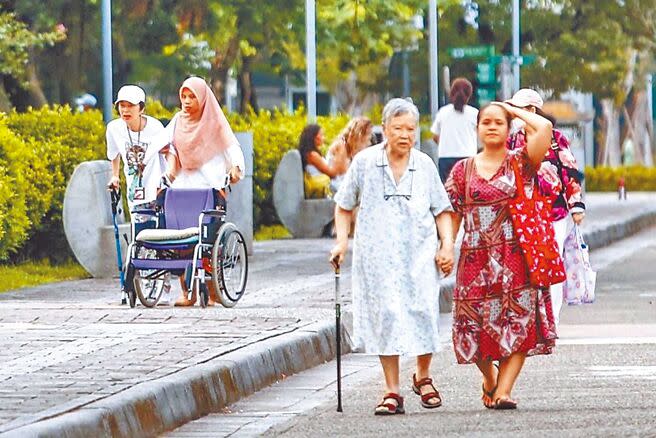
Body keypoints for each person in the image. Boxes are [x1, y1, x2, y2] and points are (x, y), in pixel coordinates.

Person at [330, 98, 455, 416]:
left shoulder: (424, 164)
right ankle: (391, 390)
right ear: (384, 129)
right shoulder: (365, 163)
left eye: (410, 129)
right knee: (386, 315)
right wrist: (341, 243)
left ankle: (423, 376)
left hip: (419, 254)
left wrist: (447, 246)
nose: (405, 134)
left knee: (423, 311)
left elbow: (442, 210)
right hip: (378, 257)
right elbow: (344, 205)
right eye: (398, 128)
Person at [445, 102, 556, 410]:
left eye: (499, 122)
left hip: (516, 255)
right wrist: (445, 247)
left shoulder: (521, 162)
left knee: (519, 324)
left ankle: (504, 391)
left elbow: (544, 129)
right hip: (474, 258)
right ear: (477, 129)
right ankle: (490, 380)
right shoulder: (461, 170)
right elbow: (452, 213)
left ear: (510, 130)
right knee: (472, 327)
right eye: (486, 122)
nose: (492, 126)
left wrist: (511, 108)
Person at [162, 76, 245, 306]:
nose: (187, 102)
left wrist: (236, 168)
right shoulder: (177, 122)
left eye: (192, 97)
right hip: (182, 192)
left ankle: (211, 288)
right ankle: (186, 292)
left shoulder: (215, 122)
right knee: (180, 244)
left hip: (209, 191)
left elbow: (232, 148)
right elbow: (162, 144)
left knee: (208, 243)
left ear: (203, 98)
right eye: (184, 97)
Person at [505, 88, 586, 326]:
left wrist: (576, 205)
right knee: (524, 264)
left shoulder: (556, 139)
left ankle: (551, 318)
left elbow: (569, 171)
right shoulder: (512, 140)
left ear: (530, 111)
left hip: (554, 213)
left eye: (518, 109)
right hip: (523, 214)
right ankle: (528, 318)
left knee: (552, 262)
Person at [106, 85, 171, 304]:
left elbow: (168, 152)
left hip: (156, 186)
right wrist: (115, 177)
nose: (125, 110)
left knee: (157, 233)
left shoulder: (154, 128)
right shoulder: (114, 128)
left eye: (130, 106)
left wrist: (167, 179)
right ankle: (133, 283)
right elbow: (114, 155)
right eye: (121, 106)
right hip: (134, 188)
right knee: (137, 236)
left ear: (141, 108)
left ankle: (161, 279)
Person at [430, 78, 478, 183]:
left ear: (451, 93)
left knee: (447, 192)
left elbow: (434, 136)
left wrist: (444, 142)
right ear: (469, 94)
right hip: (468, 157)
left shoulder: (443, 112)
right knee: (467, 191)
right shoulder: (474, 114)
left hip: (445, 157)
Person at [298, 124, 348, 198]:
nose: (323, 138)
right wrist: (340, 154)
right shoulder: (312, 155)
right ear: (314, 137)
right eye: (321, 135)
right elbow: (332, 174)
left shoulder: (313, 153)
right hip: (326, 188)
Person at [327, 116, 374, 193]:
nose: (369, 140)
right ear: (360, 135)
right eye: (368, 135)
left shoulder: (349, 148)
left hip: (343, 185)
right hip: (337, 187)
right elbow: (340, 174)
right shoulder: (341, 146)